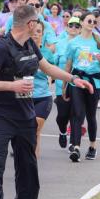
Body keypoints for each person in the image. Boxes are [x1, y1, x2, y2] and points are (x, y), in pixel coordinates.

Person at [0, 5, 92, 199]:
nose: (40, 26)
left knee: (27, 166)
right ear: (30, 24)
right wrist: (12, 86)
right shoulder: (1, 47)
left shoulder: (29, 44)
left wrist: (73, 79)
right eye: (37, 22)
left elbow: (46, 67)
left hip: (25, 115)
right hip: (0, 116)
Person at [63, 12, 100, 162]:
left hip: (94, 82)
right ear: (82, 22)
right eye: (89, 20)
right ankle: (75, 147)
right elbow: (68, 65)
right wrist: (65, 85)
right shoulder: (73, 42)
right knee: (77, 113)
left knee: (91, 116)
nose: (91, 23)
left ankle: (92, 146)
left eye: (94, 21)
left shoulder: (99, 41)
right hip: (77, 81)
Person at [54, 16, 82, 149]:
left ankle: (73, 143)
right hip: (61, 85)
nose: (74, 28)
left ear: (81, 29)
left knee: (75, 115)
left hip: (78, 86)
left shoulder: (84, 44)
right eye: (71, 25)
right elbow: (53, 63)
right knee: (62, 116)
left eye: (77, 26)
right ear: (67, 27)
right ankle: (62, 131)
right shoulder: (60, 43)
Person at [30, 22, 54, 157]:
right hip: (23, 96)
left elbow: (52, 72)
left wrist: (50, 80)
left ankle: (32, 162)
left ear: (42, 34)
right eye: (33, 31)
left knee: (35, 129)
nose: (35, 34)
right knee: (24, 132)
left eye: (39, 31)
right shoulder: (21, 51)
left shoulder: (47, 53)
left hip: (42, 96)